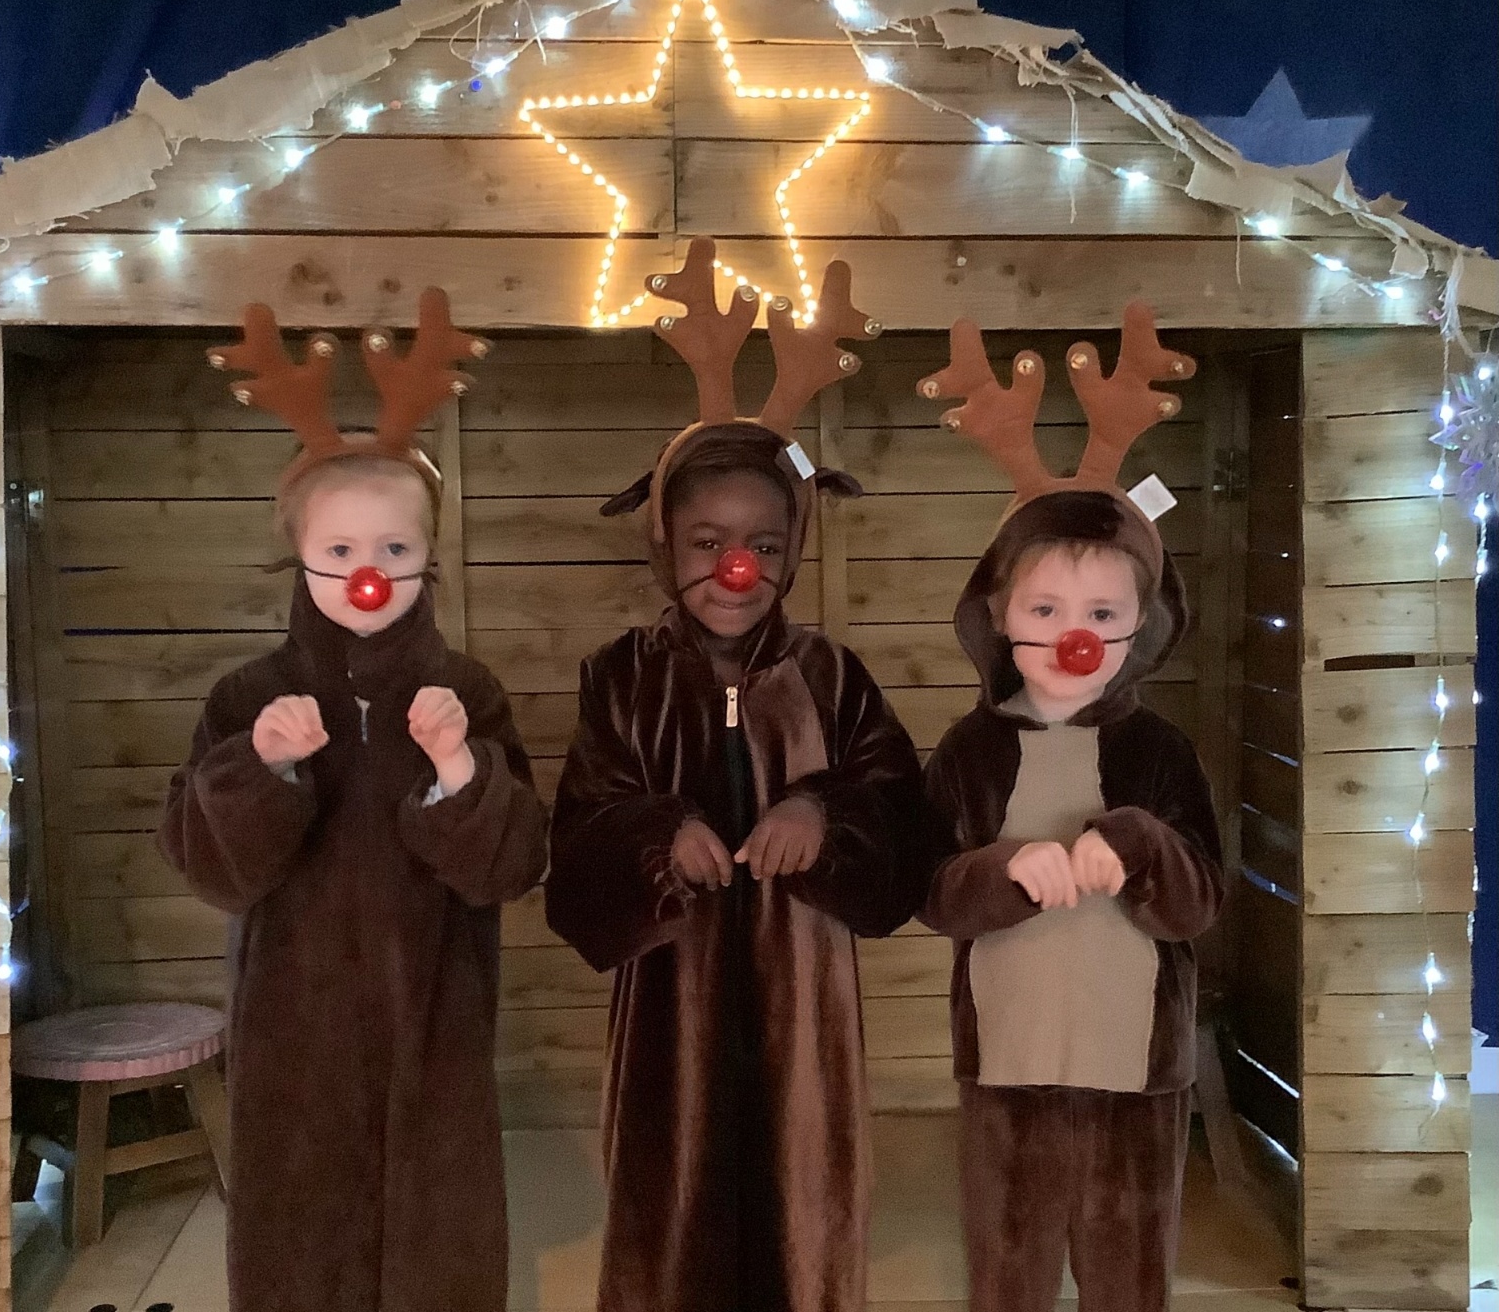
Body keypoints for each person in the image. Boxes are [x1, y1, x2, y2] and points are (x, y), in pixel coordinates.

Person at [545, 241, 936, 1312]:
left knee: (801, 1203)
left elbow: (901, 819)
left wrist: (822, 812)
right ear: (665, 544)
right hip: (668, 1012)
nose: (736, 568)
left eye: (763, 543)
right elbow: (579, 837)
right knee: (673, 1207)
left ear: (791, 550)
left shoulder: (830, 676)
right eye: (709, 541)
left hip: (804, 1007)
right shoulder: (620, 677)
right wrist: (655, 834)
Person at [158, 292, 547, 1312]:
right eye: (339, 552)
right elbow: (208, 863)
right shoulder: (247, 697)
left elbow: (513, 863)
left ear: (426, 559)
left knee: (440, 1227)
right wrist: (261, 768)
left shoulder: (466, 691)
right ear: (300, 556)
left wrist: (460, 769)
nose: (366, 574)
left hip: (436, 1016)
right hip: (293, 1027)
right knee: (299, 1227)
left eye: (392, 551)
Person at [917, 306, 1226, 1312]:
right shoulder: (970, 750)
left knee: (1128, 1275)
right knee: (1007, 1272)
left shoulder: (1159, 751)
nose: (1072, 637)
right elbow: (932, 889)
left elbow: (1200, 899)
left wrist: (1138, 843)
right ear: (999, 615)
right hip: (1007, 1063)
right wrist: (1002, 868)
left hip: (1137, 1069)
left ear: (1140, 624)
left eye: (1100, 613)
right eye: (1045, 610)